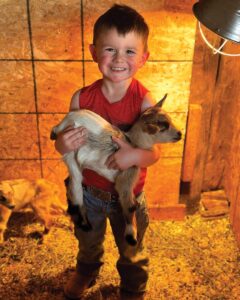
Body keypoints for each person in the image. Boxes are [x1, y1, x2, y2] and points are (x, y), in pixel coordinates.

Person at [55, 4, 160, 300]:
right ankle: (86, 269)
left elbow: (153, 155)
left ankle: (132, 288)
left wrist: (134, 156)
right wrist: (63, 144)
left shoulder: (144, 101)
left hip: (129, 197)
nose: (118, 59)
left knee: (131, 248)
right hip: (90, 192)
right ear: (93, 51)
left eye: (129, 51)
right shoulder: (82, 98)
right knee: (87, 239)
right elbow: (64, 141)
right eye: (110, 49)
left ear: (144, 58)